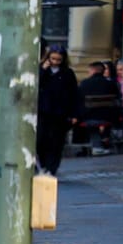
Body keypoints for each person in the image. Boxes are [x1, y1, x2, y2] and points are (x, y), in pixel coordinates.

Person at [35, 44, 79, 176]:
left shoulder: (67, 73)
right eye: (52, 59)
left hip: (60, 113)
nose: (55, 62)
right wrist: (43, 70)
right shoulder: (42, 70)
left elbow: (74, 94)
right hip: (43, 111)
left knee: (56, 142)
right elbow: (36, 85)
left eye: (58, 60)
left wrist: (74, 113)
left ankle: (51, 167)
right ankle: (42, 165)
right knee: (41, 140)